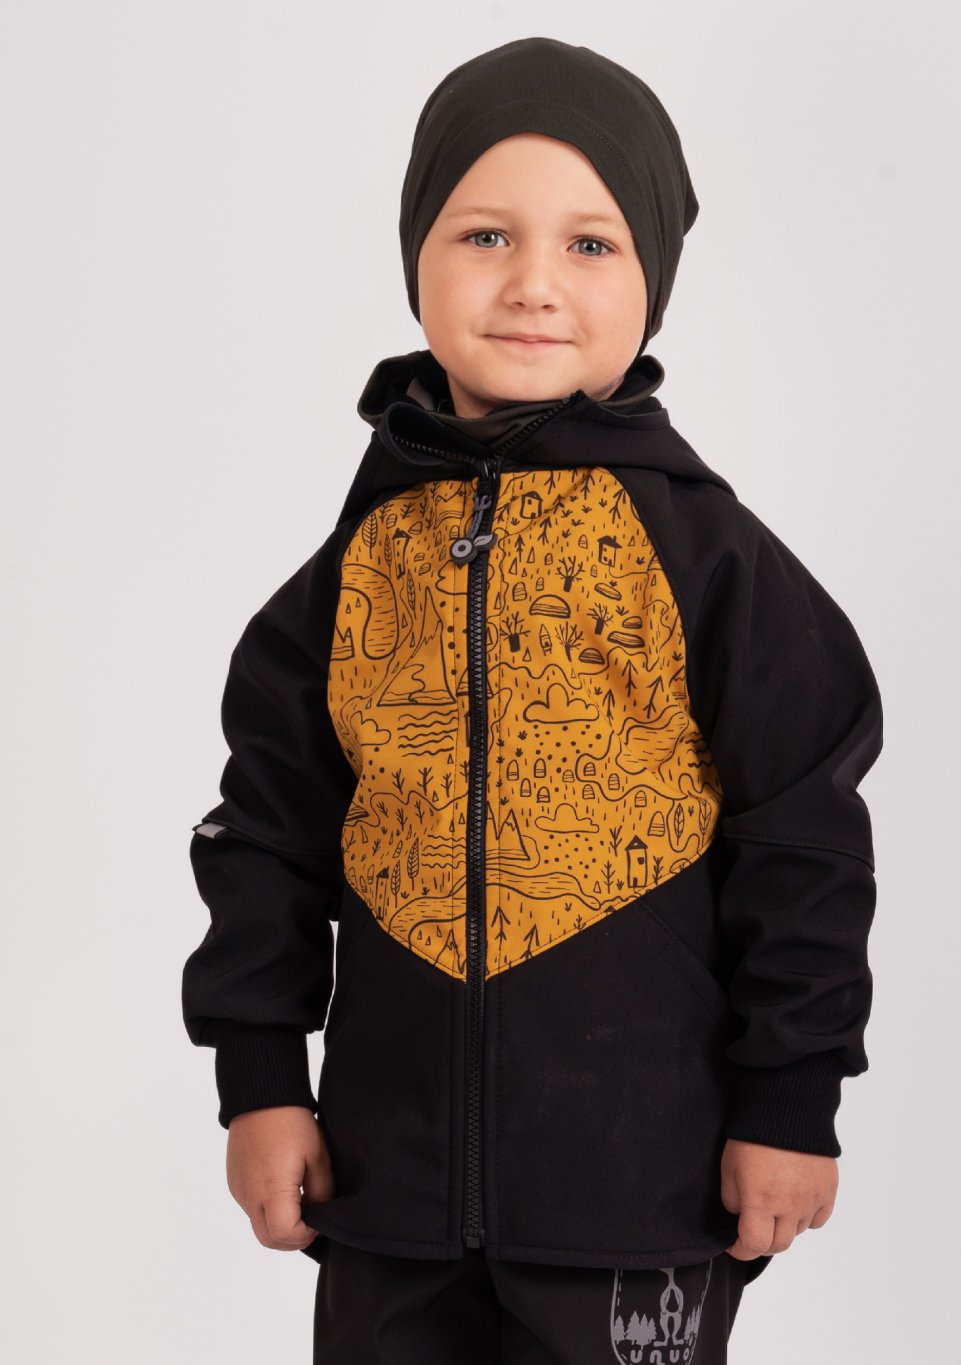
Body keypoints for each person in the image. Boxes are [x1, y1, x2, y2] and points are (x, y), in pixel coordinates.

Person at [181, 36, 884, 1364]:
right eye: (486, 235)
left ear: (653, 280)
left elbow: (803, 837)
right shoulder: (354, 571)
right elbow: (266, 832)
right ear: (418, 258)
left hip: (637, 1190)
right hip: (389, 1197)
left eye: (591, 244)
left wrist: (790, 1098)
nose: (533, 284)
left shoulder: (709, 561)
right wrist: (260, 1081)